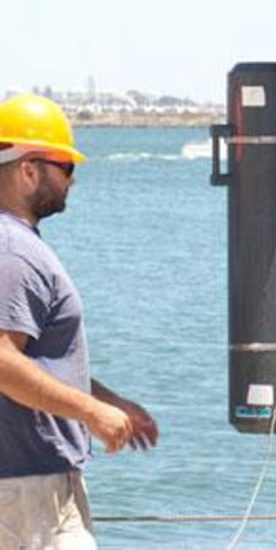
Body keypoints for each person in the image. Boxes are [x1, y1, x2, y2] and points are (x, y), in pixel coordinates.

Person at [0, 93, 159, 550]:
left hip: (36, 488)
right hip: (27, 494)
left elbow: (39, 361)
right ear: (28, 168)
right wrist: (91, 413)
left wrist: (110, 400)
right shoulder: (13, 253)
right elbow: (4, 361)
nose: (73, 180)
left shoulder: (19, 245)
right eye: (65, 166)